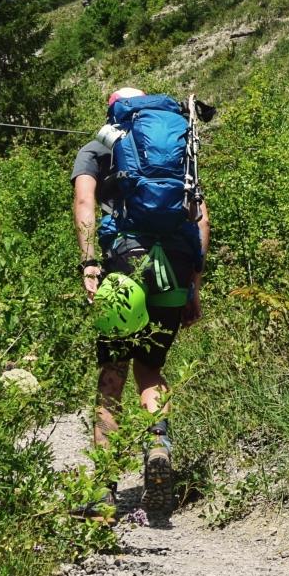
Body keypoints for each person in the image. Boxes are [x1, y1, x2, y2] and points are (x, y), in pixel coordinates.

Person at [72, 86, 208, 518]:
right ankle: (158, 448)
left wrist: (90, 261)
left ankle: (101, 490)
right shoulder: (180, 150)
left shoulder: (96, 149)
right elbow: (200, 215)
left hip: (125, 260)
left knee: (113, 372)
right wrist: (194, 285)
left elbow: (84, 201)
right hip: (177, 262)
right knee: (151, 367)